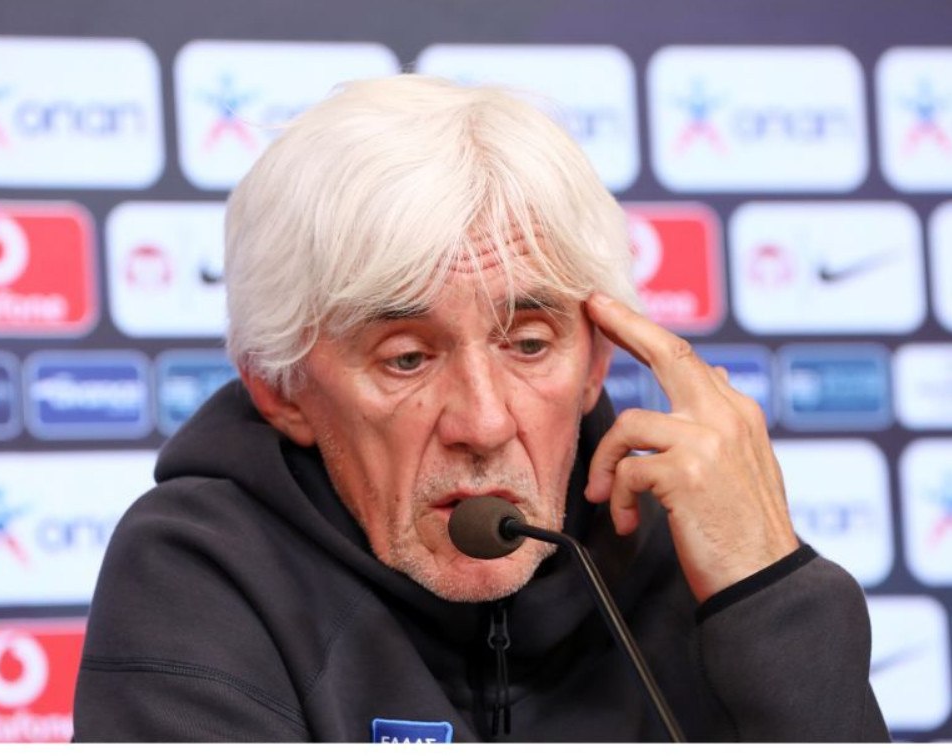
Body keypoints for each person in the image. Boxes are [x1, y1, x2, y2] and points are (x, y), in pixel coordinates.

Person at [73, 75, 889, 742]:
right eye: (407, 358)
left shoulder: (695, 562)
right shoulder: (198, 568)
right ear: (280, 388)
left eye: (529, 345)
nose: (485, 423)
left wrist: (771, 592)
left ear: (597, 361)